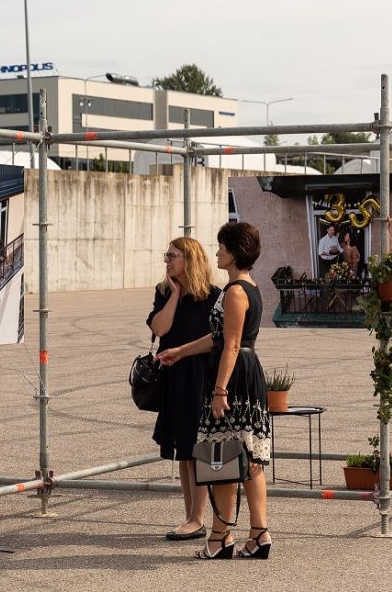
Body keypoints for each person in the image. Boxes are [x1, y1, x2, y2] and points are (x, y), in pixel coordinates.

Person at [157, 222, 272, 561]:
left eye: (222, 247)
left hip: (233, 378)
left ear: (235, 252)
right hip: (242, 373)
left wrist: (220, 390)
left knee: (221, 457)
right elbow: (218, 339)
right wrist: (180, 351)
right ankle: (258, 534)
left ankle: (220, 536)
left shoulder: (235, 291)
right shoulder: (246, 287)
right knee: (248, 457)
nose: (217, 252)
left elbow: (231, 344)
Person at [147, 238, 221, 542]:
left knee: (198, 448)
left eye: (173, 256)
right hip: (173, 377)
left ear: (190, 259)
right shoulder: (164, 291)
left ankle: (197, 518)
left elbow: (216, 339)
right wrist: (175, 295)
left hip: (199, 377)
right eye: (166, 255)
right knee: (182, 448)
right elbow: (159, 329)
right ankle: (191, 516)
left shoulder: (213, 296)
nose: (167, 261)